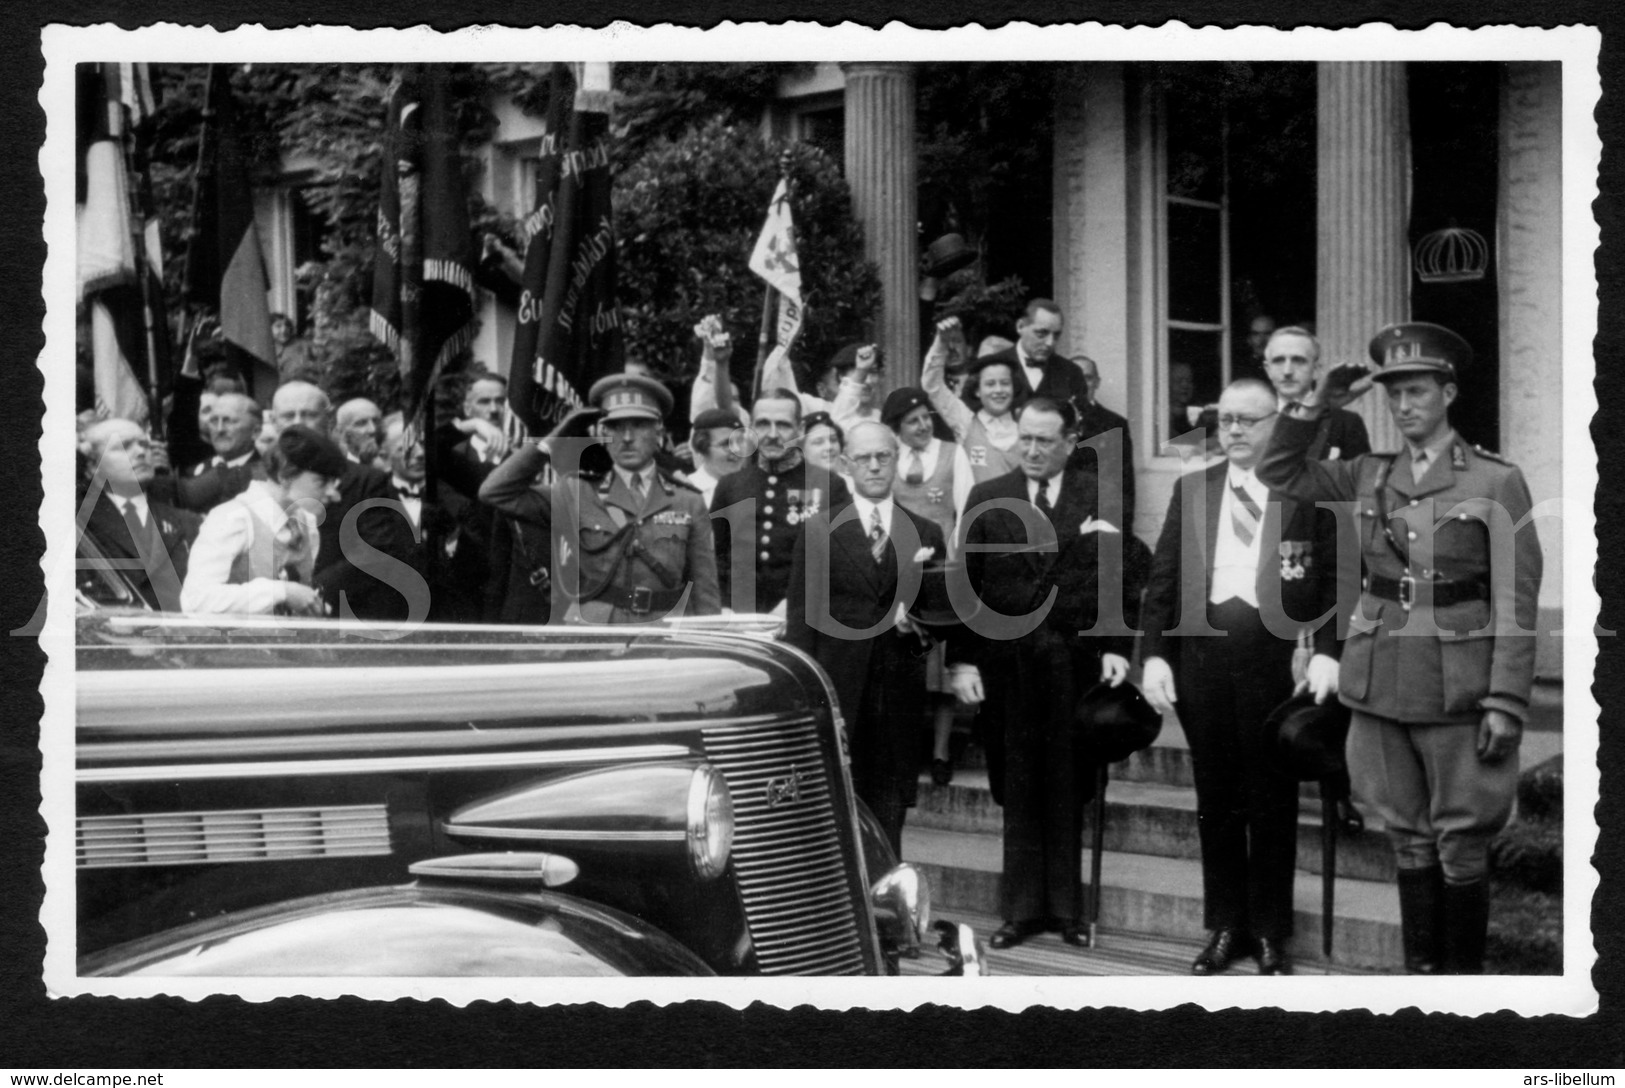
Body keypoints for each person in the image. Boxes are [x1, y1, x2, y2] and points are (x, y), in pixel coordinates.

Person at [1258, 321, 1544, 975]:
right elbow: (1280, 471)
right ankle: (1422, 980)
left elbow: (1516, 601)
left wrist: (1505, 699)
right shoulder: (1366, 473)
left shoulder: (1495, 481)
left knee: (1460, 843)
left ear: (1447, 392)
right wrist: (1316, 405)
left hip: (1458, 685)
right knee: (1405, 839)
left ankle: (1460, 987)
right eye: (1392, 395)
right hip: (1380, 679)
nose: (1403, 405)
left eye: (1416, 391)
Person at [1140, 378, 1344, 977]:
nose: (1232, 430)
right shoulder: (1193, 489)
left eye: (1247, 421)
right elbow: (1163, 581)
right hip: (1202, 660)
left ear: (1275, 425)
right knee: (1217, 797)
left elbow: (1334, 577)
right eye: (1224, 419)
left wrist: (1329, 651)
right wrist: (1152, 654)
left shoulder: (1306, 490)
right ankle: (1227, 924)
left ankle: (1271, 929)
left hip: (1276, 660)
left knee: (1271, 796)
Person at [948, 396, 1144, 949]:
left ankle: (1067, 910)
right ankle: (1021, 910)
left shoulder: (1095, 495)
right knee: (1018, 782)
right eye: (1024, 439)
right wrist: (961, 660)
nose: (1031, 450)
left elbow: (1119, 578)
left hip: (1073, 665)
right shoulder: (988, 498)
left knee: (1068, 782)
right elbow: (966, 584)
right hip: (1007, 666)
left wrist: (1115, 646)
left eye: (1043, 440)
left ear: (1068, 441)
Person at [785, 421, 947, 854]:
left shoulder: (926, 534)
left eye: (883, 456)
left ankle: (888, 912)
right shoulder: (819, 531)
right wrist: (808, 705)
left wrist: (918, 629)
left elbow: (939, 626)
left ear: (896, 459)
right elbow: (801, 626)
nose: (874, 467)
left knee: (888, 821)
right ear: (845, 465)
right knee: (830, 817)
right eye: (863, 459)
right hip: (839, 696)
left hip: (896, 699)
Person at [482, 372, 720, 624]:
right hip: (597, 633)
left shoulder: (687, 500)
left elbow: (705, 591)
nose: (627, 437)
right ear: (604, 433)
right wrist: (556, 436)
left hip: (665, 633)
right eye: (616, 427)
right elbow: (495, 492)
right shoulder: (576, 492)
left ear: (658, 429)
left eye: (639, 425)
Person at [271, 381, 416, 621]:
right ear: (274, 422)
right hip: (271, 614)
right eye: (288, 415)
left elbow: (374, 550)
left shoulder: (366, 480)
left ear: (328, 422)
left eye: (308, 414)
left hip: (344, 612)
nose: (298, 422)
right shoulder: (254, 481)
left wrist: (312, 592)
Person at [711, 388, 851, 615]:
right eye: (763, 424)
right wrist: (724, 606)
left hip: (804, 616)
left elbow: (839, 563)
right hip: (738, 619)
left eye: (783, 425)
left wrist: (796, 603)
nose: (772, 434)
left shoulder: (829, 487)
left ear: (800, 429)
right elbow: (715, 558)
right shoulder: (730, 486)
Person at [180, 425, 346, 616]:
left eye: (335, 483)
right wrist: (281, 592)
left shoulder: (306, 524)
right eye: (322, 482)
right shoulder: (232, 519)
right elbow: (195, 601)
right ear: (285, 476)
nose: (335, 495)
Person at [883, 387, 962, 785]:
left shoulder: (950, 454)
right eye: (913, 421)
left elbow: (963, 506)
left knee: (939, 663)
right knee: (908, 660)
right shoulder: (888, 459)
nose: (923, 425)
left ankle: (941, 752)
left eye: (926, 417)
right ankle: (909, 748)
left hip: (939, 563)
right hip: (896, 563)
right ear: (897, 427)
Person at [78, 419, 201, 611]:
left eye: (145, 444)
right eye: (124, 446)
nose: (141, 452)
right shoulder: (79, 525)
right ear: (93, 466)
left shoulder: (188, 523)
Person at [922, 317, 1020, 500]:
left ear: (1014, 387)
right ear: (977, 390)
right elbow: (932, 384)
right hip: (977, 519)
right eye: (990, 384)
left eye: (1005, 383)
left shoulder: (1025, 425)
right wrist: (941, 343)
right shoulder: (966, 421)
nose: (998, 390)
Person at [1261, 326, 1371, 462]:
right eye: (1279, 361)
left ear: (1316, 370)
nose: (1287, 371)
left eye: (1298, 360)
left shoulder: (1346, 424)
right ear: (1267, 369)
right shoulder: (1255, 419)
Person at [963, 299, 1089, 416]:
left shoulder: (1072, 373)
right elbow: (968, 419)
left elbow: (1083, 425)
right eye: (1041, 333)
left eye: (1056, 335)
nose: (1050, 342)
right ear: (1020, 326)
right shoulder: (989, 367)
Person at [1068, 354, 1137, 528]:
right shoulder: (1050, 421)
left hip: (1100, 523)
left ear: (1097, 382)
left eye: (1087, 378)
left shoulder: (1114, 424)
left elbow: (1124, 484)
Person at [687, 407, 746, 508]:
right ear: (702, 447)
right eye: (726, 444)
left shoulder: (753, 485)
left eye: (740, 442)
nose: (737, 450)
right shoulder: (689, 491)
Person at [829, 343, 885, 432]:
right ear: (841, 376)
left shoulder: (884, 420)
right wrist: (860, 372)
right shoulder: (835, 416)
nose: (868, 381)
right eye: (863, 375)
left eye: (873, 372)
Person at [334, 397, 385, 467]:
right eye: (361, 423)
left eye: (376, 421)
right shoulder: (338, 472)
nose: (373, 429)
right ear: (341, 432)